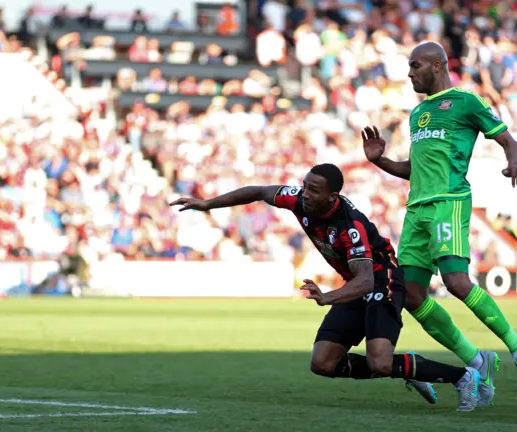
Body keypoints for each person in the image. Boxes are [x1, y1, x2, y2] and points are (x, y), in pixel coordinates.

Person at [170, 163, 484, 412]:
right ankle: (404, 367)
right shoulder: (298, 199)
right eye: (305, 186)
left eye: (313, 190)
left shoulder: (350, 227)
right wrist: (208, 204)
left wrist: (328, 297)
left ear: (332, 196)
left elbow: (365, 280)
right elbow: (258, 191)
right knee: (323, 363)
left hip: (382, 279)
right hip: (358, 283)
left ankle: (464, 377)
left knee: (380, 362)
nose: (305, 194)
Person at [361, 41, 517, 403]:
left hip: (449, 202)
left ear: (437, 67)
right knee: (411, 296)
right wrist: (380, 161)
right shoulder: (417, 114)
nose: (409, 73)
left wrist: (515, 161)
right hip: (416, 208)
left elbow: (507, 139)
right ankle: (477, 361)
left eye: (415, 66)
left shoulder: (465, 102)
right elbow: (413, 169)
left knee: (457, 282)